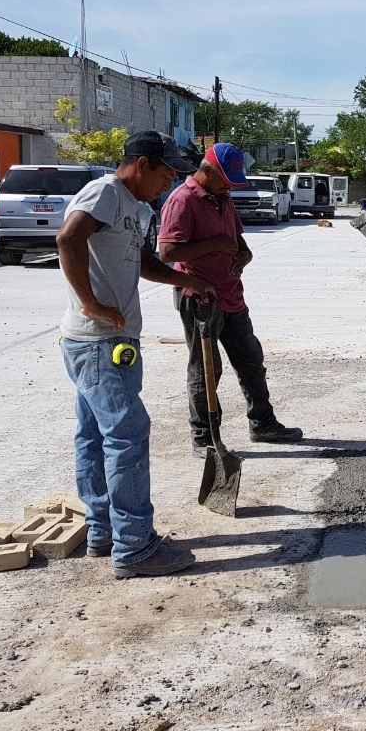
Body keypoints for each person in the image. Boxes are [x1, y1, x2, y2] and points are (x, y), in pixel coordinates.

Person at [56, 130, 216, 579]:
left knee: (94, 436)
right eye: (165, 174)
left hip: (107, 342)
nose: (169, 184)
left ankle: (103, 532)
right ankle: (134, 547)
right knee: (127, 435)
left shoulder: (135, 206)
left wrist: (187, 280)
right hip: (98, 342)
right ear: (142, 165)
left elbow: (142, 262)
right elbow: (68, 240)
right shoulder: (105, 192)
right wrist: (91, 304)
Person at [157, 143, 302, 458]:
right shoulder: (182, 200)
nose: (229, 188)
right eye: (225, 181)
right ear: (208, 172)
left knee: (251, 361)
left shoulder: (223, 199)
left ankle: (263, 424)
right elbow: (168, 252)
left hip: (231, 294)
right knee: (207, 369)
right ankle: (205, 438)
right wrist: (215, 245)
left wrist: (244, 254)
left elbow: (237, 241)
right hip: (199, 297)